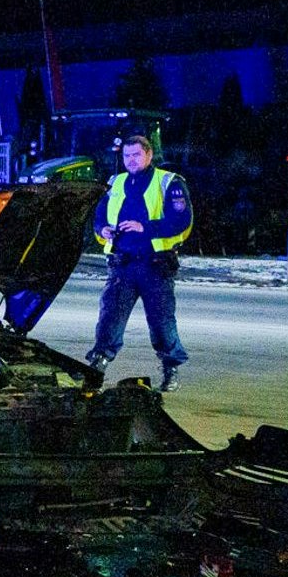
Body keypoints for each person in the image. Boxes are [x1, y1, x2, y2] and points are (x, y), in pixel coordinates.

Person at [85, 134, 191, 392]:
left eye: (136, 155)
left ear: (149, 155)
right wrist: (103, 230)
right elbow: (98, 217)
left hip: (156, 266)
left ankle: (170, 368)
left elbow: (182, 221)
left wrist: (145, 227)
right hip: (122, 266)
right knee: (109, 320)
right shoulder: (116, 183)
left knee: (162, 323)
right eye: (126, 156)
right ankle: (97, 367)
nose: (131, 160)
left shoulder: (169, 182)